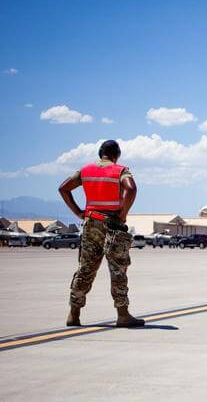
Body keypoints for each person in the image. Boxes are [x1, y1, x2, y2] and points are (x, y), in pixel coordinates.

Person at [58, 140, 144, 328]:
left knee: (86, 268)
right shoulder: (120, 170)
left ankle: (74, 313)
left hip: (90, 223)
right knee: (118, 269)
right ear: (116, 155)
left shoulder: (85, 170)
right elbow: (131, 188)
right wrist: (123, 214)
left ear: (100, 153)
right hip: (113, 224)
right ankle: (122, 314)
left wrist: (78, 212)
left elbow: (63, 188)